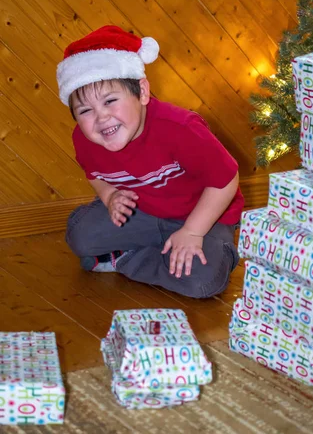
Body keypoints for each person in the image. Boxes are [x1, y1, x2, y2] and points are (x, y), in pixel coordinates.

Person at [57, 25, 244, 298]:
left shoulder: (181, 128)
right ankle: (144, 253)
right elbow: (94, 173)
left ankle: (124, 259)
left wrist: (192, 232)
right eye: (85, 110)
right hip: (144, 210)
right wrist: (109, 196)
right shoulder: (85, 139)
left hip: (204, 215)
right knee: (80, 237)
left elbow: (226, 182)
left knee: (203, 282)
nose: (101, 118)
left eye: (110, 101)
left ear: (142, 92)